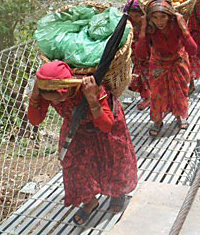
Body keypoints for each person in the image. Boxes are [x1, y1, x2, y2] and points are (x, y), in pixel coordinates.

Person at [28, 61, 137, 226]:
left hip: (105, 125)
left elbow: (106, 125)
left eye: (59, 99)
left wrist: (92, 98)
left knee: (113, 163)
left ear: (67, 89)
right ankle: (89, 201)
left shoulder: (91, 86)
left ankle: (116, 193)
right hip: (76, 128)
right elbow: (35, 120)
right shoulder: (48, 90)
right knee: (74, 168)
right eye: (51, 100)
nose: (56, 103)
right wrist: (35, 95)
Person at [135, 0, 197, 137]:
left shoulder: (176, 25)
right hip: (158, 63)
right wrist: (144, 30)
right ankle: (158, 120)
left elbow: (193, 50)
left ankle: (179, 115)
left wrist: (183, 27)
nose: (159, 21)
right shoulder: (150, 28)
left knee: (180, 91)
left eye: (163, 16)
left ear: (170, 16)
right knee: (157, 93)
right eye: (155, 17)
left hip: (178, 61)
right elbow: (141, 54)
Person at [124, 0, 150, 110]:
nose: (135, 18)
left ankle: (150, 97)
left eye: (137, 16)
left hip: (148, 54)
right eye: (132, 16)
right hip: (136, 55)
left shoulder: (148, 23)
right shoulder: (129, 24)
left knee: (148, 75)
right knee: (142, 75)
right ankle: (147, 96)